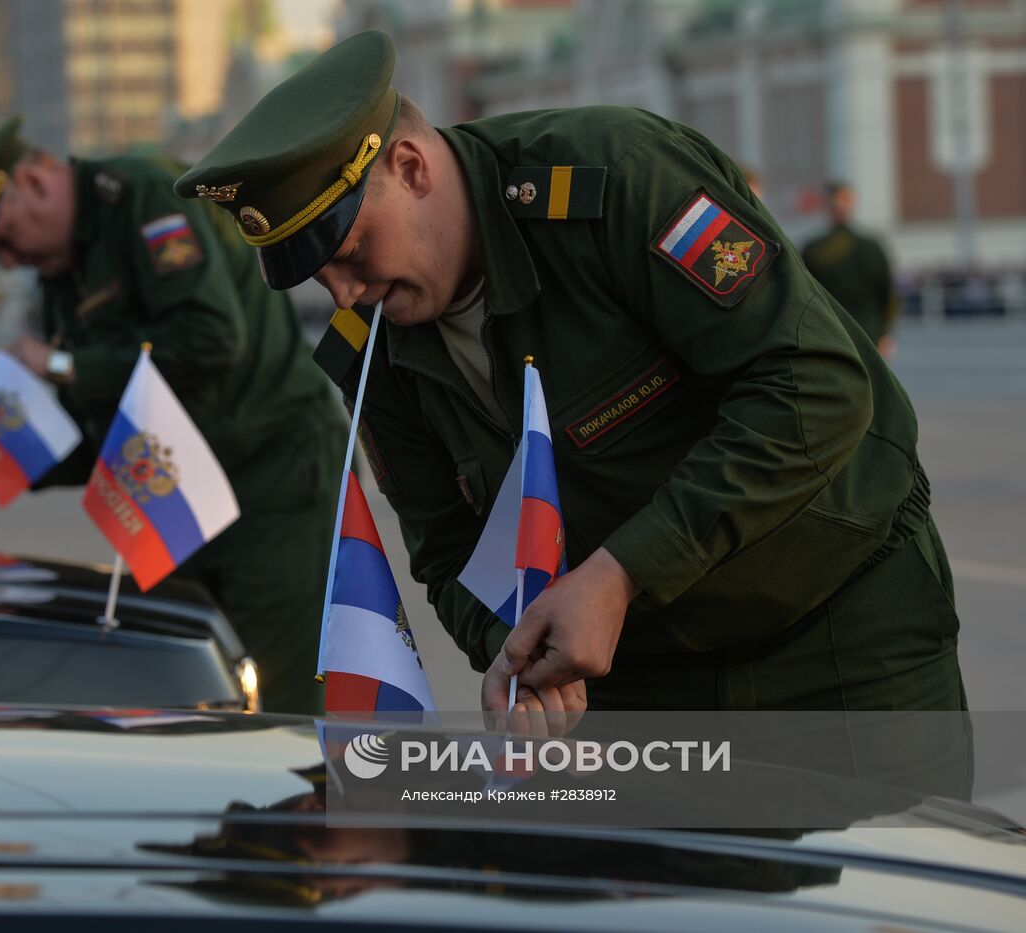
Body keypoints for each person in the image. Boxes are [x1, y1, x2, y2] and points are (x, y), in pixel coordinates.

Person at [174, 32, 966, 717]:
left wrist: (618, 576)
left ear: (411, 167)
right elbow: (446, 546)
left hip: (843, 638)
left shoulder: (614, 183)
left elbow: (816, 383)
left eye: (349, 252)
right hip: (640, 681)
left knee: (887, 884)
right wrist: (521, 656)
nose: (344, 292)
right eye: (317, 276)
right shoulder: (372, 341)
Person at [0, 117, 345, 713]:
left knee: (281, 701)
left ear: (34, 180)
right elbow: (114, 408)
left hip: (270, 481)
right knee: (180, 692)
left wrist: (61, 364)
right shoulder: (60, 273)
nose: (8, 262)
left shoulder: (139, 197)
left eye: (2, 236)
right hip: (175, 501)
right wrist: (27, 452)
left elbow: (211, 338)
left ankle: (311, 805)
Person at [802, 182, 899, 357]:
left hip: (829, 332)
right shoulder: (871, 247)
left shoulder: (813, 248)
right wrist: (885, 334)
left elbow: (804, 296)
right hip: (867, 331)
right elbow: (888, 295)